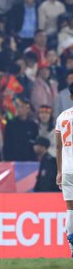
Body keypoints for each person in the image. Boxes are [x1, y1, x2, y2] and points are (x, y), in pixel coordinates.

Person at [56, 83, 73, 256]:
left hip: (67, 169)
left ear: (70, 97)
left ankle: (72, 247)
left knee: (70, 209)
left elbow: (58, 146)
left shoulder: (62, 117)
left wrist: (59, 171)